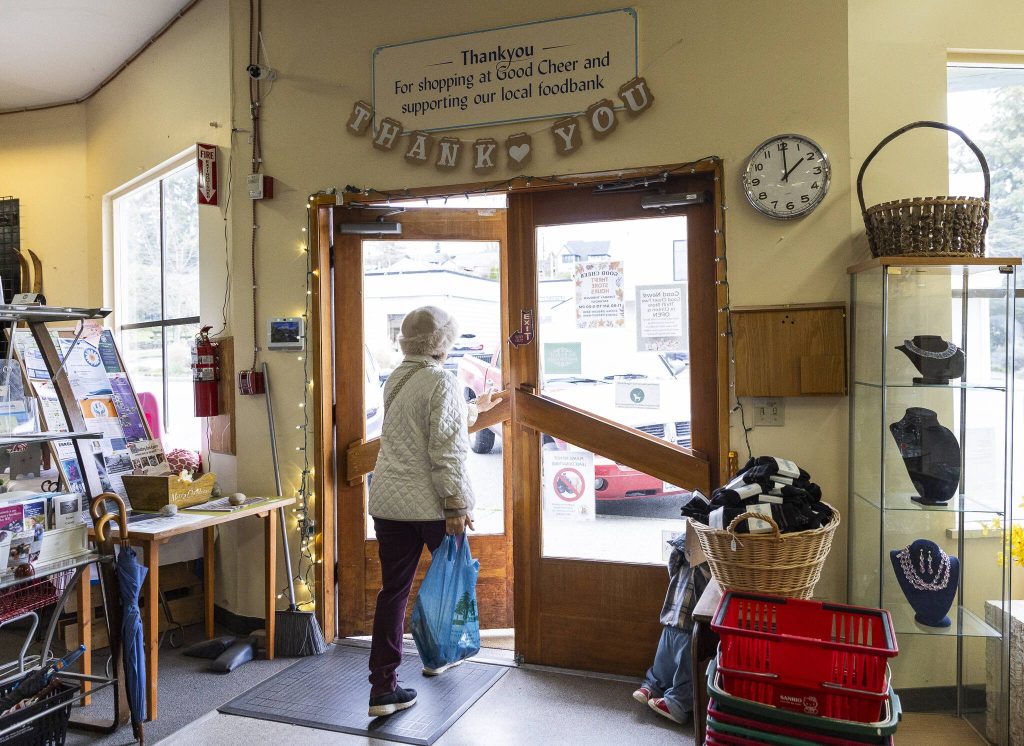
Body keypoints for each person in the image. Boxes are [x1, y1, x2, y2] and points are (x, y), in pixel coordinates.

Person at [366, 306, 501, 718]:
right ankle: (438, 654)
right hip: (432, 507)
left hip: (389, 504)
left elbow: (431, 424)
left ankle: (382, 688)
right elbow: (448, 448)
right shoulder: (442, 379)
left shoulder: (399, 378)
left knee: (393, 594)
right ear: (443, 341)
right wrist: (457, 505)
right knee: (452, 584)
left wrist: (474, 407)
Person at [632, 532, 711, 725]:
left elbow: (672, 565)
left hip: (687, 618)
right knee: (666, 656)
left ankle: (677, 702)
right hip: (677, 618)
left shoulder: (686, 549)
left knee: (684, 662)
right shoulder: (700, 552)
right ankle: (654, 685)